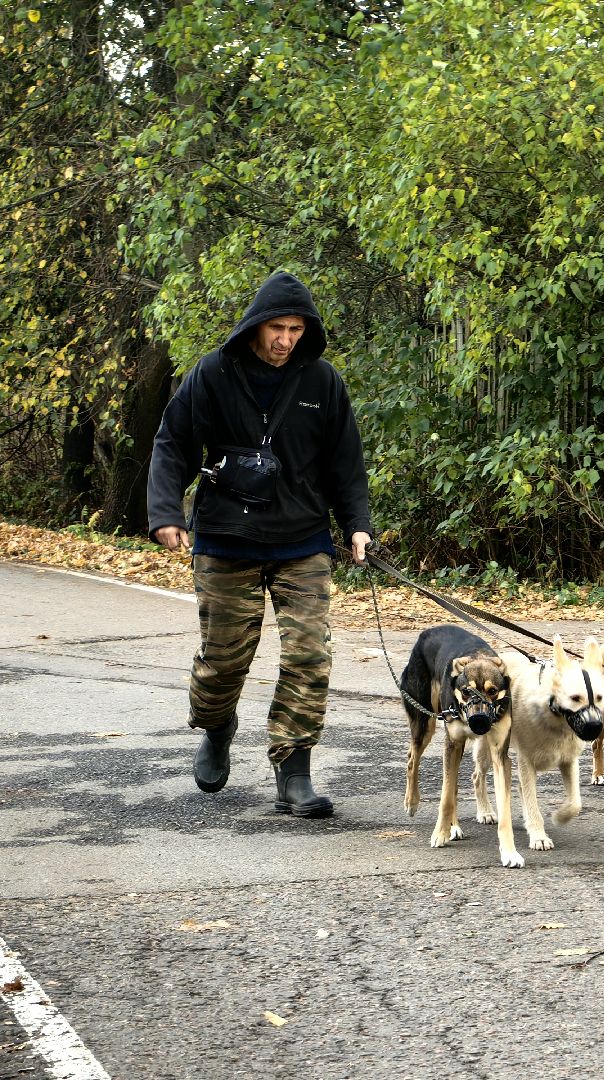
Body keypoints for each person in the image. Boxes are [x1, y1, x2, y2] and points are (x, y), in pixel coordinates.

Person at [146, 271, 372, 819]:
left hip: (303, 538)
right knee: (224, 660)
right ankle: (218, 726)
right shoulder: (212, 374)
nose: (286, 340)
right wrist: (166, 512)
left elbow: (345, 461)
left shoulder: (322, 382)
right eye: (277, 327)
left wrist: (357, 523)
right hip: (227, 536)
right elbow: (173, 442)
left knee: (309, 654)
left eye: (296, 329)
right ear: (255, 325)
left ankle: (293, 771)